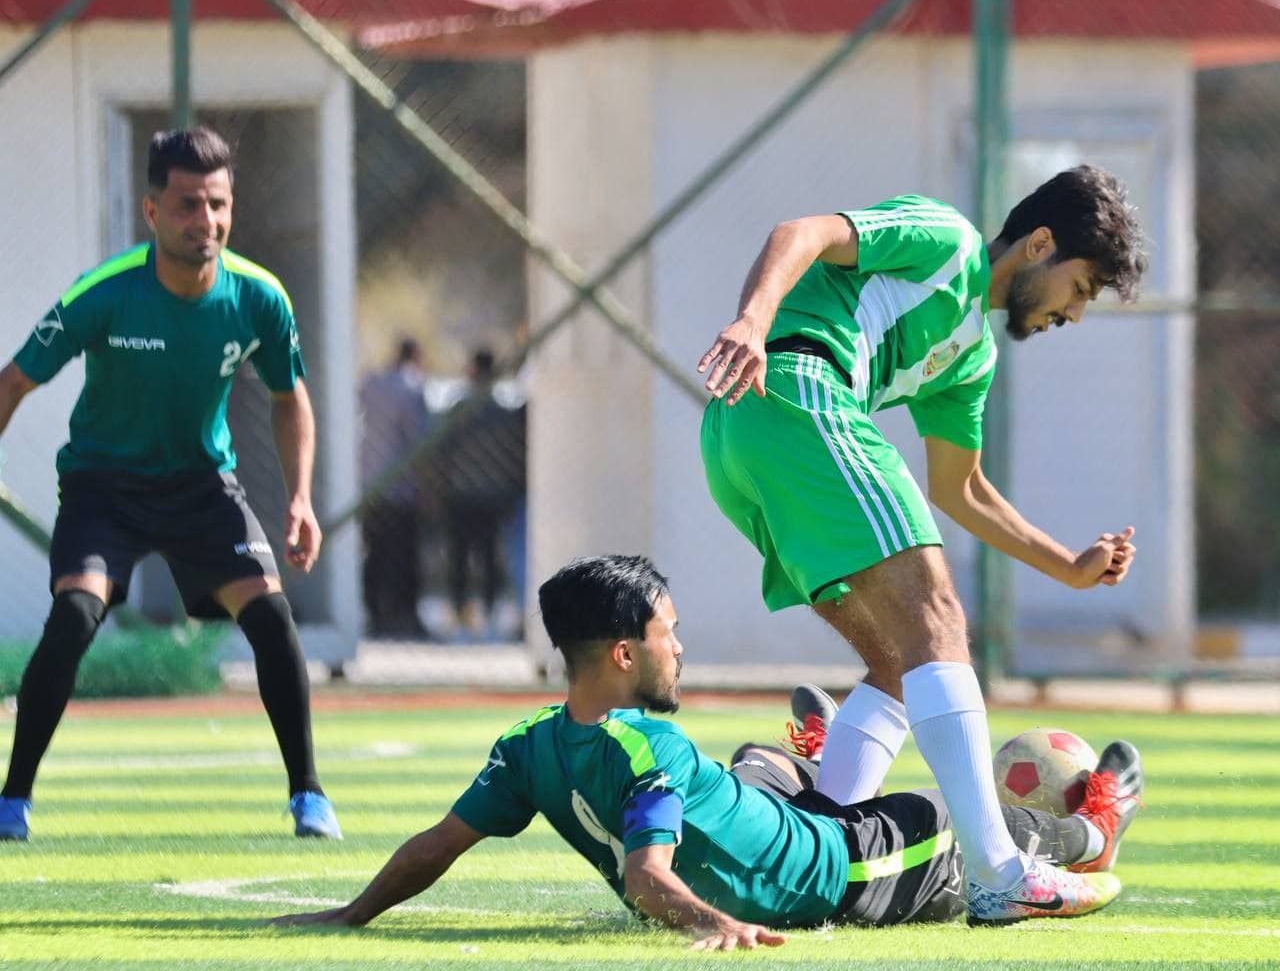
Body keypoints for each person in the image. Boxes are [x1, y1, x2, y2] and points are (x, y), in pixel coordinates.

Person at [269, 556, 1142, 945]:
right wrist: (717, 925)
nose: (680, 649)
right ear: (624, 654)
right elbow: (648, 877)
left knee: (757, 758)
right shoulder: (648, 745)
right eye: (669, 635)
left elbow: (435, 846)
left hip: (778, 817)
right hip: (846, 868)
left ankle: (818, 762)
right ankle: (1091, 828)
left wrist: (351, 914)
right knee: (959, 819)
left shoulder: (527, 742)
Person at [696, 166, 1145, 920]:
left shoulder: (972, 358)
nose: (1074, 313)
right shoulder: (948, 242)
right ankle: (999, 872)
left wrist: (1070, 567)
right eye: (1081, 288)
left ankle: (813, 856)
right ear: (1039, 244)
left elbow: (960, 487)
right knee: (938, 623)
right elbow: (802, 233)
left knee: (900, 663)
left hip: (745, 438)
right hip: (796, 392)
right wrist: (751, 320)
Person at [0, 127, 340, 841]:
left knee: (272, 618)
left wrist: (300, 497)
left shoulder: (259, 297)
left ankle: (309, 796)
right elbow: (14, 382)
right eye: (187, 205)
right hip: (103, 488)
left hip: (203, 488)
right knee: (74, 615)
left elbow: (290, 397)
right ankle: (12, 801)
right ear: (152, 212)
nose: (205, 221)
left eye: (217, 204)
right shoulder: (105, 293)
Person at [437, 347, 526, 637]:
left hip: (462, 493)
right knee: (488, 557)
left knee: (460, 557)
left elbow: (443, 452)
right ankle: (486, 612)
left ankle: (460, 612)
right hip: (491, 494)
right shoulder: (502, 412)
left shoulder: (459, 409)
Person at [359, 337, 432, 639]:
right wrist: (428, 486)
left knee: (375, 553)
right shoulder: (412, 385)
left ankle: (376, 614)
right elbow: (419, 439)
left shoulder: (372, 383)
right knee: (404, 556)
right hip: (401, 488)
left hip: (371, 484)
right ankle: (405, 616)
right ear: (416, 355)